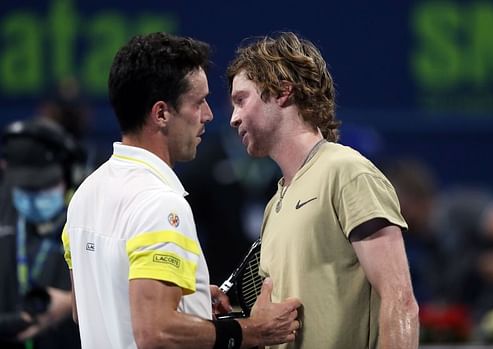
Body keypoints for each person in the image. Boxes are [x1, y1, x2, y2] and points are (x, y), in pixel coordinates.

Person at [62, 32, 301, 349]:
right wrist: (253, 331)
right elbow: (155, 332)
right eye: (198, 102)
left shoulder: (85, 194)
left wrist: (193, 304)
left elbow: (87, 309)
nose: (209, 116)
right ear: (161, 114)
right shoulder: (161, 205)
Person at [227, 32, 419, 349]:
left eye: (241, 99)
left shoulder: (346, 172)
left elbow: (400, 301)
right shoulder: (274, 205)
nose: (234, 118)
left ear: (282, 91)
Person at [0, 118, 82, 348]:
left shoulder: (93, 212)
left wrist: (70, 303)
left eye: (45, 185)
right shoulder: (4, 207)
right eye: (24, 189)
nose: (34, 198)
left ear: (69, 176)